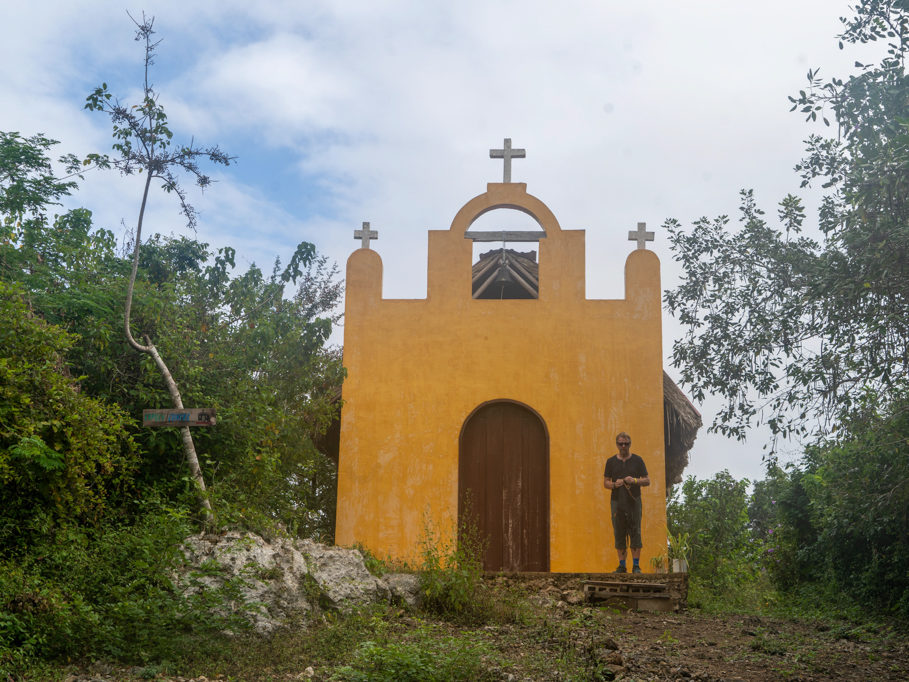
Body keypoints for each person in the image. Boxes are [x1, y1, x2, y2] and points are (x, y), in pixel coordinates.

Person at [603, 432, 650, 573]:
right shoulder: (610, 462)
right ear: (617, 444)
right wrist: (614, 484)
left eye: (626, 443)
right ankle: (622, 565)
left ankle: (636, 565)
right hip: (616, 501)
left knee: (635, 530)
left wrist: (634, 480)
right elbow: (605, 483)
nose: (623, 446)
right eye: (621, 443)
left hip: (634, 500)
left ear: (630, 444)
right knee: (619, 531)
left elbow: (647, 480)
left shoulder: (638, 460)